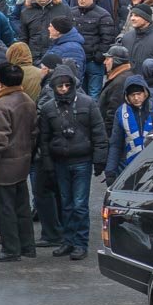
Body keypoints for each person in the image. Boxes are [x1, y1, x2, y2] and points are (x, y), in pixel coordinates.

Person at [37, 66, 108, 261]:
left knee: (79, 205)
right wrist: (48, 163)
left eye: (67, 85)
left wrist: (100, 160)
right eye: (60, 85)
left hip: (82, 161)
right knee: (67, 205)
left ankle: (79, 243)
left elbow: (99, 132)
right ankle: (68, 241)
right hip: (60, 161)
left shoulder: (87, 104)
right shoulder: (49, 108)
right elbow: (44, 138)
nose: (64, 89)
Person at [0, 63, 38, 262]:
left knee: (4, 210)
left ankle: (10, 249)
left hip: (4, 167)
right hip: (22, 163)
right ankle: (27, 246)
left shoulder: (1, 106)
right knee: (22, 208)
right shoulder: (27, 100)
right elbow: (34, 133)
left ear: (0, 82)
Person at [105, 76, 153, 185]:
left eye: (139, 94)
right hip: (131, 168)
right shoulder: (121, 112)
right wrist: (110, 170)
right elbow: (115, 144)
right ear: (127, 96)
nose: (136, 98)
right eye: (132, 95)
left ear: (145, 92)